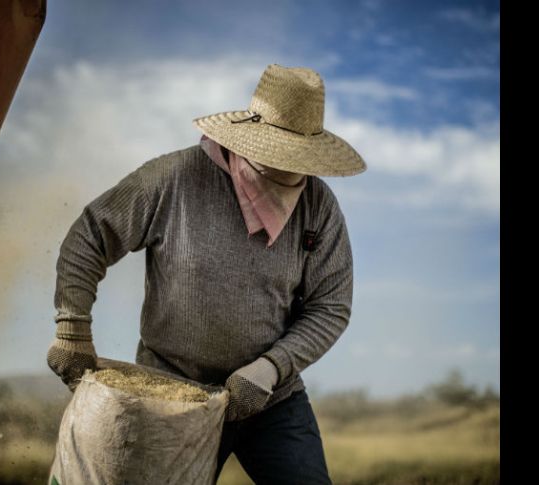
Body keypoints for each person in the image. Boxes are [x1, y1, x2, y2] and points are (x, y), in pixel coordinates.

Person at [47, 64, 366, 484]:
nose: (293, 173)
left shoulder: (318, 207)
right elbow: (89, 236)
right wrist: (72, 328)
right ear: (248, 142)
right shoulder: (175, 179)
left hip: (270, 398)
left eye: (301, 161)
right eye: (280, 156)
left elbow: (330, 308)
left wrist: (269, 369)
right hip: (171, 394)